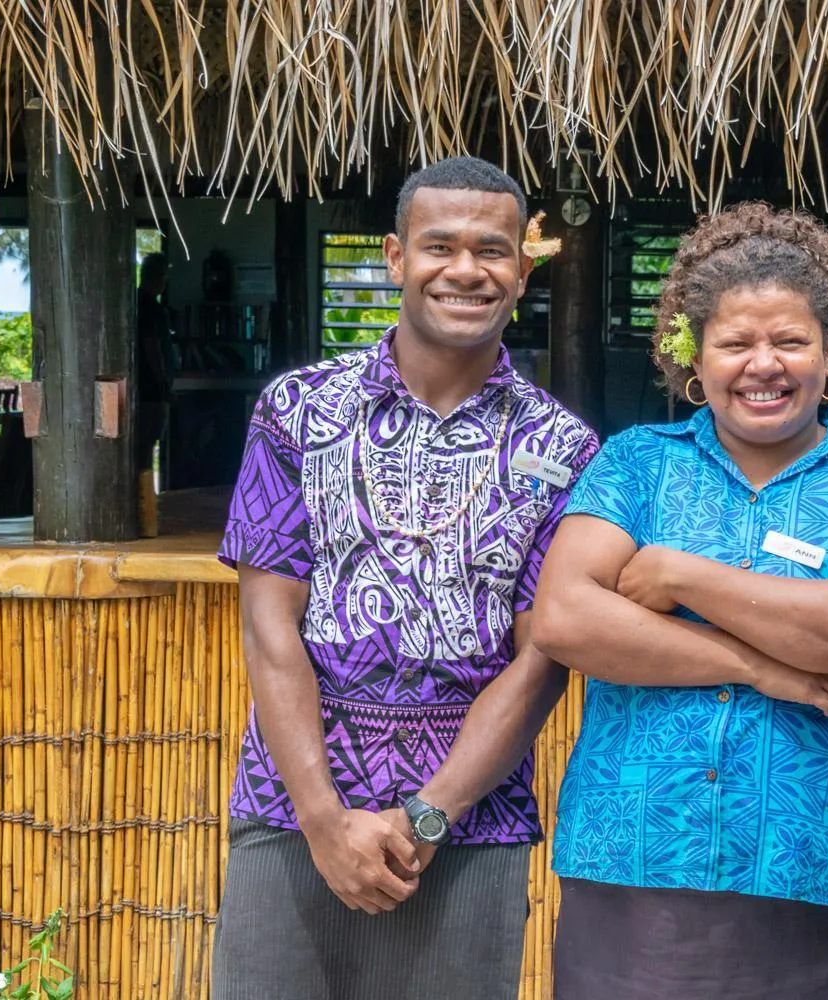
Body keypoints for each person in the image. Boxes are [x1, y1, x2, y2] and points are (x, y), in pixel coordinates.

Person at [210, 156, 598, 1000]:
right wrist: (322, 818)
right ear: (394, 257)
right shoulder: (298, 411)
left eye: (492, 251)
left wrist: (430, 814)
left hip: (470, 823)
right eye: (439, 246)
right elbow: (270, 628)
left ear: (523, 271)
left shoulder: (565, 450)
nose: (466, 270)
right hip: (293, 807)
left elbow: (542, 660)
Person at [532, 203, 828, 1000]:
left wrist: (679, 577)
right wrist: (757, 665)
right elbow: (566, 617)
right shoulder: (635, 464)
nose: (763, 365)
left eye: (790, 341)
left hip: (815, 864)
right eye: (736, 342)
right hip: (635, 859)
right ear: (694, 354)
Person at [135, 252, 173, 534]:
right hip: (149, 389)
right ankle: (143, 510)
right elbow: (151, 347)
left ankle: (143, 506)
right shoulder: (149, 307)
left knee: (144, 447)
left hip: (144, 388)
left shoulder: (139, 303)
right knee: (146, 447)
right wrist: (161, 379)